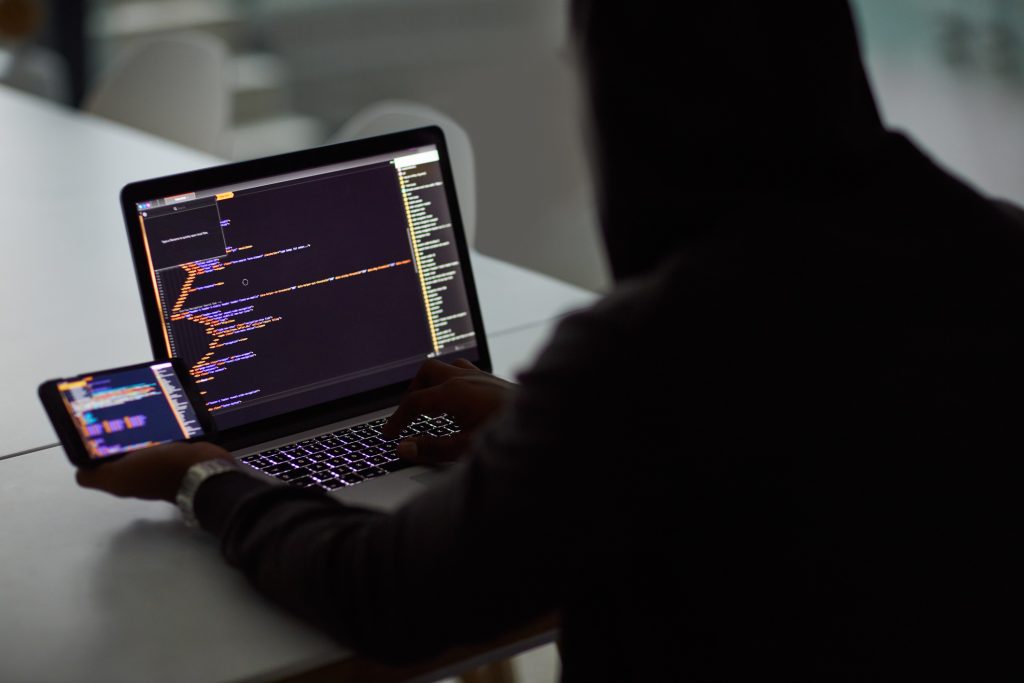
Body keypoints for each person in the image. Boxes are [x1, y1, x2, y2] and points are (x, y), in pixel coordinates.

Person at [78, 1, 1020, 679]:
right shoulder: (996, 251)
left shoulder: (654, 350)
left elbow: (394, 597)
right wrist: (541, 426)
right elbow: (815, 438)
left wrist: (206, 478)